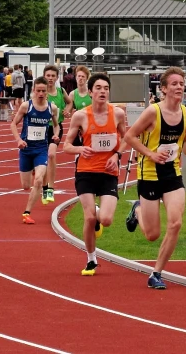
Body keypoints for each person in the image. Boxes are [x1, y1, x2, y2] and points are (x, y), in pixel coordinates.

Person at [124, 67, 186, 290]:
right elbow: (129, 136)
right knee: (152, 234)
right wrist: (150, 154)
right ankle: (138, 210)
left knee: (175, 223)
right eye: (174, 84)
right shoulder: (152, 112)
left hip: (172, 174)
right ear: (164, 89)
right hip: (149, 174)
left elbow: (184, 140)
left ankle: (156, 273)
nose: (179, 87)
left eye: (181, 83)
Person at [63, 73, 126, 276]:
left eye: (106, 88)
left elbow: (128, 138)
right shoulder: (80, 115)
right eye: (98, 88)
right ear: (90, 92)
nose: (102, 91)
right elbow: (66, 146)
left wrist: (116, 155)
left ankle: (98, 211)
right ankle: (91, 259)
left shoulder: (117, 114)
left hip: (108, 173)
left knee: (106, 220)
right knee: (89, 218)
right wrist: (80, 150)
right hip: (86, 172)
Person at [10, 77, 60, 224]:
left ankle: (27, 213)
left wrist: (56, 135)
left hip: (41, 150)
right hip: (26, 150)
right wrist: (19, 140)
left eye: (43, 91)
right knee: (26, 186)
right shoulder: (26, 106)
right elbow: (13, 124)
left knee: (38, 180)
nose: (41, 93)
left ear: (47, 93)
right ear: (33, 91)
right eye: (38, 91)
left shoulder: (52, 108)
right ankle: (33, 169)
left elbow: (56, 125)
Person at [43, 64, 73, 204]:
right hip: (39, 128)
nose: (50, 78)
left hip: (55, 128)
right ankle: (44, 187)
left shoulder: (61, 91)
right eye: (48, 75)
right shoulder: (40, 91)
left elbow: (69, 102)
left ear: (56, 77)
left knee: (51, 154)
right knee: (42, 160)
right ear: (44, 76)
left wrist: (67, 110)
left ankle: (50, 188)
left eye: (52, 76)